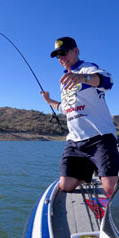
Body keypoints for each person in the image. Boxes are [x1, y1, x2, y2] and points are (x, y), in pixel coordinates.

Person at [41, 36, 119, 196]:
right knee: (65, 185)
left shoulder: (87, 69)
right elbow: (66, 108)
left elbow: (108, 81)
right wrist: (49, 101)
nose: (61, 58)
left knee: (111, 189)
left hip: (100, 138)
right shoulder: (63, 81)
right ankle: (91, 167)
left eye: (64, 53)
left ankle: (102, 168)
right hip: (75, 142)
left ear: (76, 51)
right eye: (57, 56)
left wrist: (84, 78)